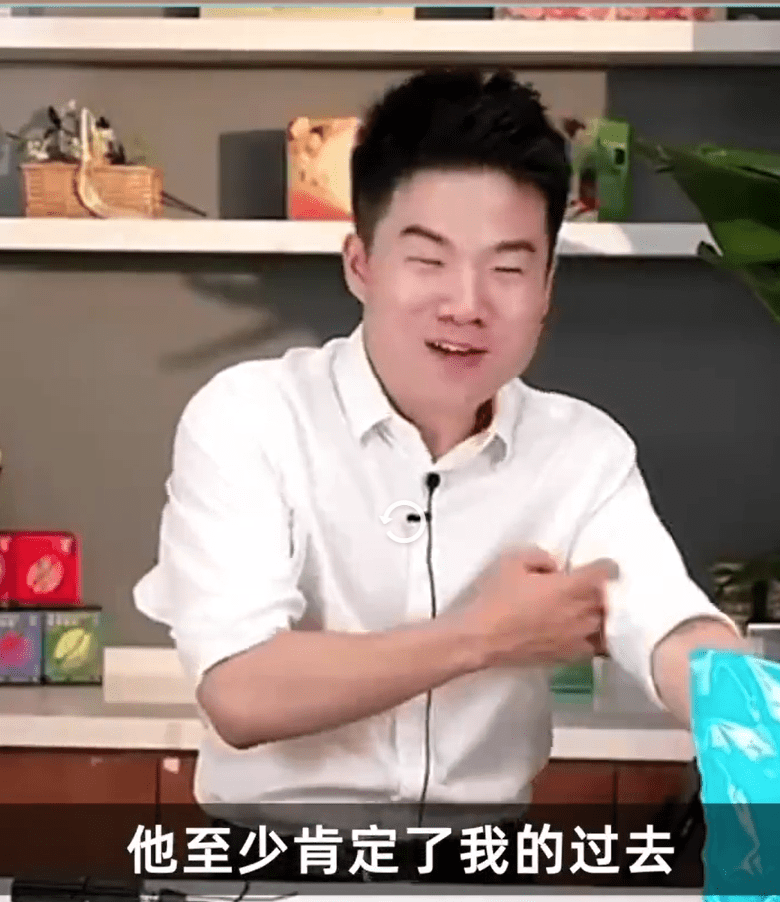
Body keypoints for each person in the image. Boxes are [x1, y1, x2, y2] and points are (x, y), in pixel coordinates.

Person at [133, 67, 747, 884]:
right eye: (428, 260)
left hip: (483, 869)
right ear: (361, 264)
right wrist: (483, 635)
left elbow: (664, 621)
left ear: (546, 288)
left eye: (508, 268)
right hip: (274, 868)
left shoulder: (581, 448)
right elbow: (241, 693)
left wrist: (750, 717)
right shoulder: (251, 417)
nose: (467, 304)